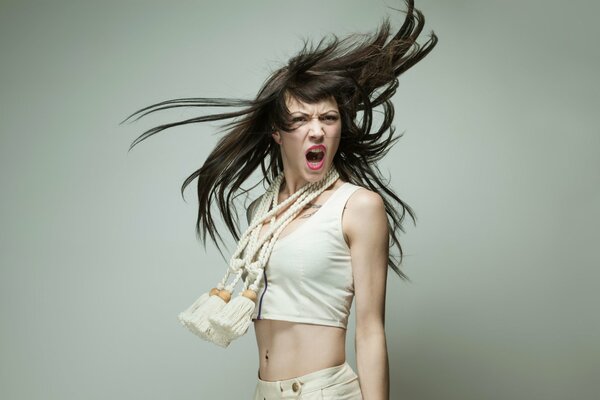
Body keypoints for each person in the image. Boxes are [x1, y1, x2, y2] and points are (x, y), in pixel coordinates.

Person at [123, 1, 437, 398]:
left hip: (323, 392)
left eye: (328, 118)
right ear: (277, 132)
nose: (317, 131)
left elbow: (371, 329)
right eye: (302, 119)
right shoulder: (262, 213)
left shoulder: (357, 207)